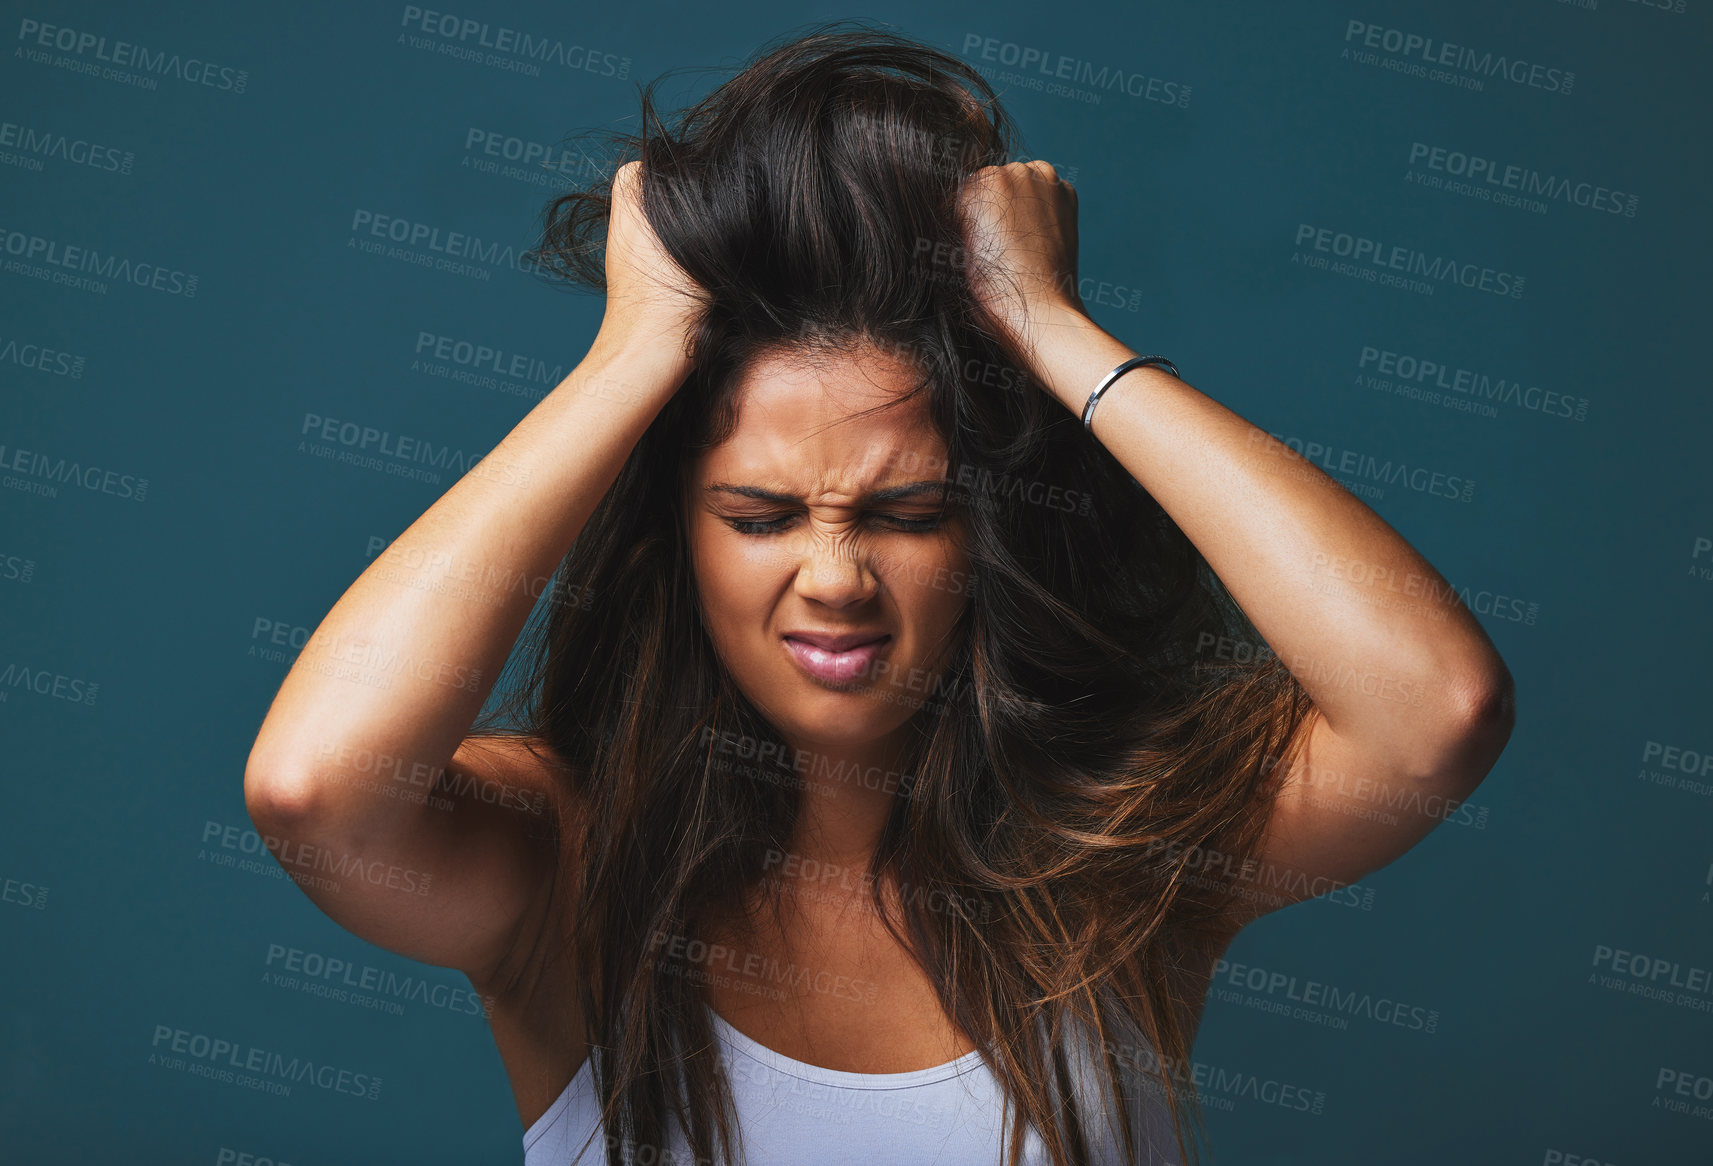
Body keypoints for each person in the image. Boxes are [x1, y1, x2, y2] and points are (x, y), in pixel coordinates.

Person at [243, 22, 1515, 1166]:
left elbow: (1437, 711)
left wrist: (1053, 331)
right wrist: (630, 356)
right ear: (675, 535)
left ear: (987, 535)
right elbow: (316, 791)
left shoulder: (1115, 864)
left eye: (908, 514)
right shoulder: (567, 865)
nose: (837, 577)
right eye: (760, 515)